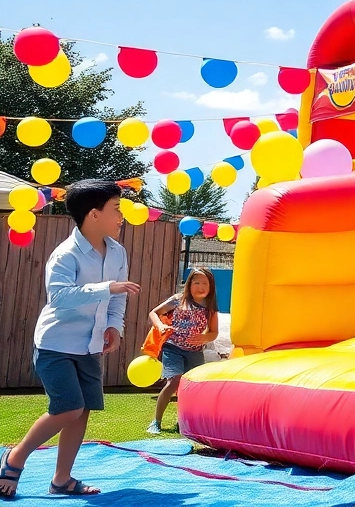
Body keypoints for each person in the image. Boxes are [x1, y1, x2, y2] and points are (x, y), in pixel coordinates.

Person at [1, 180, 139, 499]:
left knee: (84, 408)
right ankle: (14, 459)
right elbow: (59, 297)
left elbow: (118, 299)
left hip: (90, 347)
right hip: (56, 345)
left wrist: (114, 327)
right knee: (68, 407)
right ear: (93, 214)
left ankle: (61, 480)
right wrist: (107, 287)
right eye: (116, 209)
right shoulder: (65, 254)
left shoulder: (117, 251)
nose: (122, 217)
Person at [146, 268, 219, 435]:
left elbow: (214, 332)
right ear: (189, 284)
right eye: (196, 282)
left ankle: (184, 422)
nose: (200, 287)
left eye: (204, 283)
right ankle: (156, 421)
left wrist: (205, 338)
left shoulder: (210, 307)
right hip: (173, 347)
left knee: (193, 386)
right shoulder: (178, 300)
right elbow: (154, 313)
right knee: (174, 381)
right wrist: (161, 326)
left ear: (211, 286)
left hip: (195, 351)